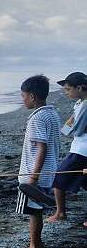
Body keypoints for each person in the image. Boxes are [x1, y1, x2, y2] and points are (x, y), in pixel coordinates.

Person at [12, 75, 61, 248]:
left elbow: (42, 147)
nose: (22, 99)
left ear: (32, 96)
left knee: (33, 211)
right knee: (36, 209)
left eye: (23, 95)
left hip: (35, 174)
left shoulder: (37, 118)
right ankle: (37, 243)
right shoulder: (52, 113)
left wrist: (32, 178)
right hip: (49, 171)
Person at [47, 72, 87, 223]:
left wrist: (68, 127)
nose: (66, 92)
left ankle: (60, 213)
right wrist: (67, 128)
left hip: (82, 149)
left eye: (68, 89)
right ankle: (60, 212)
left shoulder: (85, 104)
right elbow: (71, 124)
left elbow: (76, 129)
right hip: (79, 146)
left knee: (59, 178)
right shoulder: (80, 103)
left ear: (80, 88)